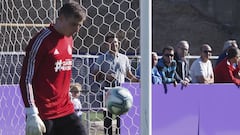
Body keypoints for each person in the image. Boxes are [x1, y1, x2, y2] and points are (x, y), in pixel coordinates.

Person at [19, 2, 87, 135]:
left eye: (80, 25)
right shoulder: (41, 41)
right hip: (43, 115)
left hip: (66, 111)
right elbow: (26, 79)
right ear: (61, 18)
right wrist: (31, 113)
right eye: (74, 24)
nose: (77, 29)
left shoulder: (69, 39)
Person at [93, 33, 139, 135]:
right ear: (107, 44)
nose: (115, 45)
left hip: (121, 93)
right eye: (112, 43)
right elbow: (95, 76)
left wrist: (137, 80)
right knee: (108, 119)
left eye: (116, 43)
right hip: (107, 92)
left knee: (121, 120)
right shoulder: (101, 58)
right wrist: (106, 76)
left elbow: (128, 74)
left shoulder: (124, 58)